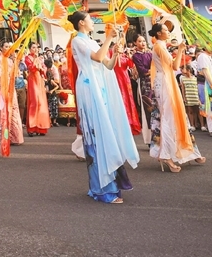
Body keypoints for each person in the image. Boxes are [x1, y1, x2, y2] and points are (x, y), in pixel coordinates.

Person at [67, 12, 139, 204]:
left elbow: (107, 64)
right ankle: (102, 189)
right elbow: (99, 57)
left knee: (107, 132)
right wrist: (109, 38)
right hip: (89, 88)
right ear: (82, 23)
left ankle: (108, 185)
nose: (93, 22)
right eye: (90, 20)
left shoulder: (90, 41)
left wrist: (114, 52)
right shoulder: (78, 41)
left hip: (100, 87)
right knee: (97, 135)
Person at [148, 23, 206, 173]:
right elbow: (175, 66)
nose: (168, 33)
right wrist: (180, 50)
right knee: (168, 119)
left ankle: (190, 152)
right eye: (166, 30)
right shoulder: (159, 47)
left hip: (168, 81)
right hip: (165, 82)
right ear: (159, 33)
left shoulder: (161, 46)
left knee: (178, 117)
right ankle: (166, 155)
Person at [0, 42, 24, 145]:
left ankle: (13, 136)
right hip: (4, 87)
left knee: (13, 109)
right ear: (1, 48)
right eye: (6, 46)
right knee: (6, 110)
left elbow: (16, 74)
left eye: (9, 47)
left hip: (11, 87)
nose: (8, 48)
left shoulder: (10, 60)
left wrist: (15, 60)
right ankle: (4, 135)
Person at [132, 35, 157, 146]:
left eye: (143, 41)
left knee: (157, 108)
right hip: (145, 83)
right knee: (148, 108)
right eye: (139, 41)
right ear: (135, 43)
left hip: (154, 81)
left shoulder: (150, 53)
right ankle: (150, 138)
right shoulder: (136, 56)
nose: (142, 43)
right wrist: (153, 70)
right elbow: (143, 71)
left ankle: (158, 135)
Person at [112, 43, 141, 135]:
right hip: (117, 79)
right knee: (121, 100)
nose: (120, 48)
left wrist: (129, 55)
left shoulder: (125, 56)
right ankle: (121, 124)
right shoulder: (112, 57)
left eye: (121, 47)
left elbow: (131, 65)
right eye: (118, 47)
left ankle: (131, 123)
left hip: (126, 80)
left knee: (129, 100)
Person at [25, 43, 51, 136]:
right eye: (33, 47)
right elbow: (31, 68)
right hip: (32, 81)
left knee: (41, 103)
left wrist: (41, 69)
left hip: (39, 80)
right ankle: (32, 127)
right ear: (30, 49)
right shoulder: (28, 58)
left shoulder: (40, 58)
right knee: (34, 102)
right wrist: (36, 62)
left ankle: (41, 127)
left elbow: (44, 69)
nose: (35, 49)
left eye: (37, 48)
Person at [179, 65, 202, 132]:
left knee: (197, 111)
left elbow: (197, 88)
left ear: (188, 70)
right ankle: (192, 125)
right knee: (190, 111)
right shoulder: (182, 78)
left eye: (183, 69)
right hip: (188, 96)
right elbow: (183, 89)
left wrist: (199, 97)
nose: (181, 71)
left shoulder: (195, 78)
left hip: (195, 96)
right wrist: (184, 97)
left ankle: (200, 125)